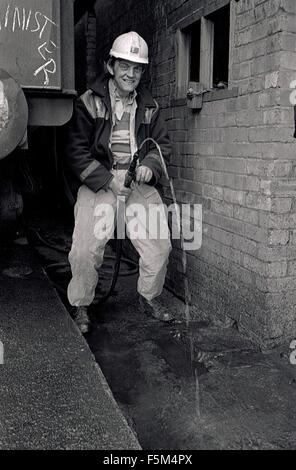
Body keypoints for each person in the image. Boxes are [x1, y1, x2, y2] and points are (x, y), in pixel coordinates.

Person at [65, 31, 172, 334]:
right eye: (125, 66)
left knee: (159, 246)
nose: (131, 74)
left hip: (137, 182)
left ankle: (148, 298)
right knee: (85, 249)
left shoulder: (150, 105)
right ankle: (82, 305)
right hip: (102, 181)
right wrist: (108, 181)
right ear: (110, 65)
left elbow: (160, 145)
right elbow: (75, 152)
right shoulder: (88, 101)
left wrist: (150, 166)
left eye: (137, 68)